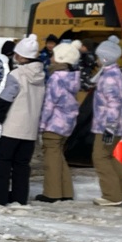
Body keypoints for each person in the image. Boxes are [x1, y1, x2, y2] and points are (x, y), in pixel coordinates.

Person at [0, 35, 45, 205]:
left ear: (19, 55)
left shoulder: (17, 74)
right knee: (22, 165)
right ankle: (20, 197)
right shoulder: (41, 75)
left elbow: (6, 99)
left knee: (2, 162)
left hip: (13, 126)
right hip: (30, 128)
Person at [90, 38, 122, 206]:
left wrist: (109, 129)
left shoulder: (109, 78)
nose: (96, 60)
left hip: (108, 126)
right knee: (106, 156)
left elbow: (114, 105)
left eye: (98, 57)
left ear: (104, 58)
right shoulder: (112, 73)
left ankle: (112, 195)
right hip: (112, 125)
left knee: (100, 157)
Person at [37, 41, 84, 203]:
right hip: (66, 124)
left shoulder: (56, 78)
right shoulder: (72, 77)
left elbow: (49, 104)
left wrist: (41, 125)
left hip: (53, 124)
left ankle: (52, 193)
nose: (51, 57)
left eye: (53, 55)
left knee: (51, 159)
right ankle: (66, 191)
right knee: (59, 157)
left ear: (60, 58)